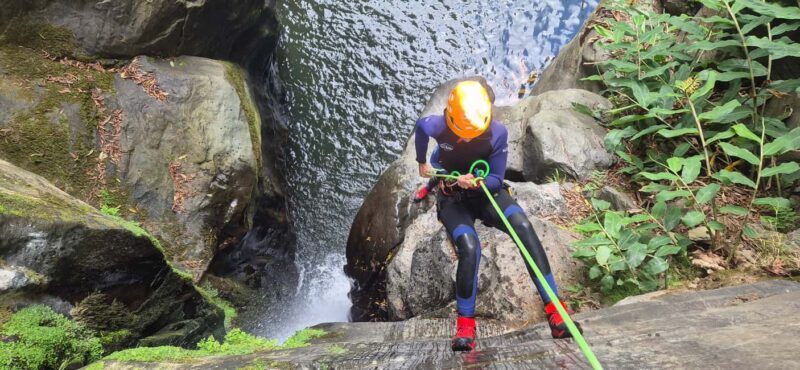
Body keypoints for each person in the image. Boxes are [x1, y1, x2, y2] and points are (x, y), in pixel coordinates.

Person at [413, 80, 582, 352]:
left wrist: (476, 183)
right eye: (462, 133)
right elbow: (420, 129)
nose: (467, 138)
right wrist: (422, 162)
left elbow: (496, 178)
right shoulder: (436, 125)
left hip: (483, 192)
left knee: (522, 226)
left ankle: (555, 307)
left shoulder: (496, 133)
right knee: (469, 246)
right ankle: (465, 325)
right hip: (453, 199)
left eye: (472, 133)